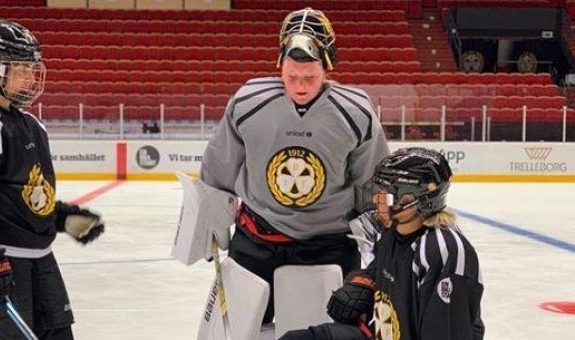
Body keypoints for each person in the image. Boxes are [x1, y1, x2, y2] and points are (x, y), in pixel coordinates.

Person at [200, 7, 390, 324]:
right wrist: (209, 226)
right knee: (234, 328)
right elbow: (218, 170)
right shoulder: (249, 102)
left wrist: (375, 254)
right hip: (257, 240)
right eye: (291, 77)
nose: (300, 86)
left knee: (330, 331)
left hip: (330, 245)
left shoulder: (356, 113)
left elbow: (372, 187)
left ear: (327, 67)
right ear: (280, 67)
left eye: (310, 77)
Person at [0, 19, 105, 339]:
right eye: (21, 68)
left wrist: (60, 218)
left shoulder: (32, 126)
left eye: (31, 67)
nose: (30, 76)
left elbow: (24, 193)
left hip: (41, 260)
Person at [280, 147, 485, 340]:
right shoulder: (392, 233)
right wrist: (361, 283)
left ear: (415, 198)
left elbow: (445, 330)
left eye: (388, 191)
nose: (378, 197)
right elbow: (377, 270)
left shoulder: (441, 250)